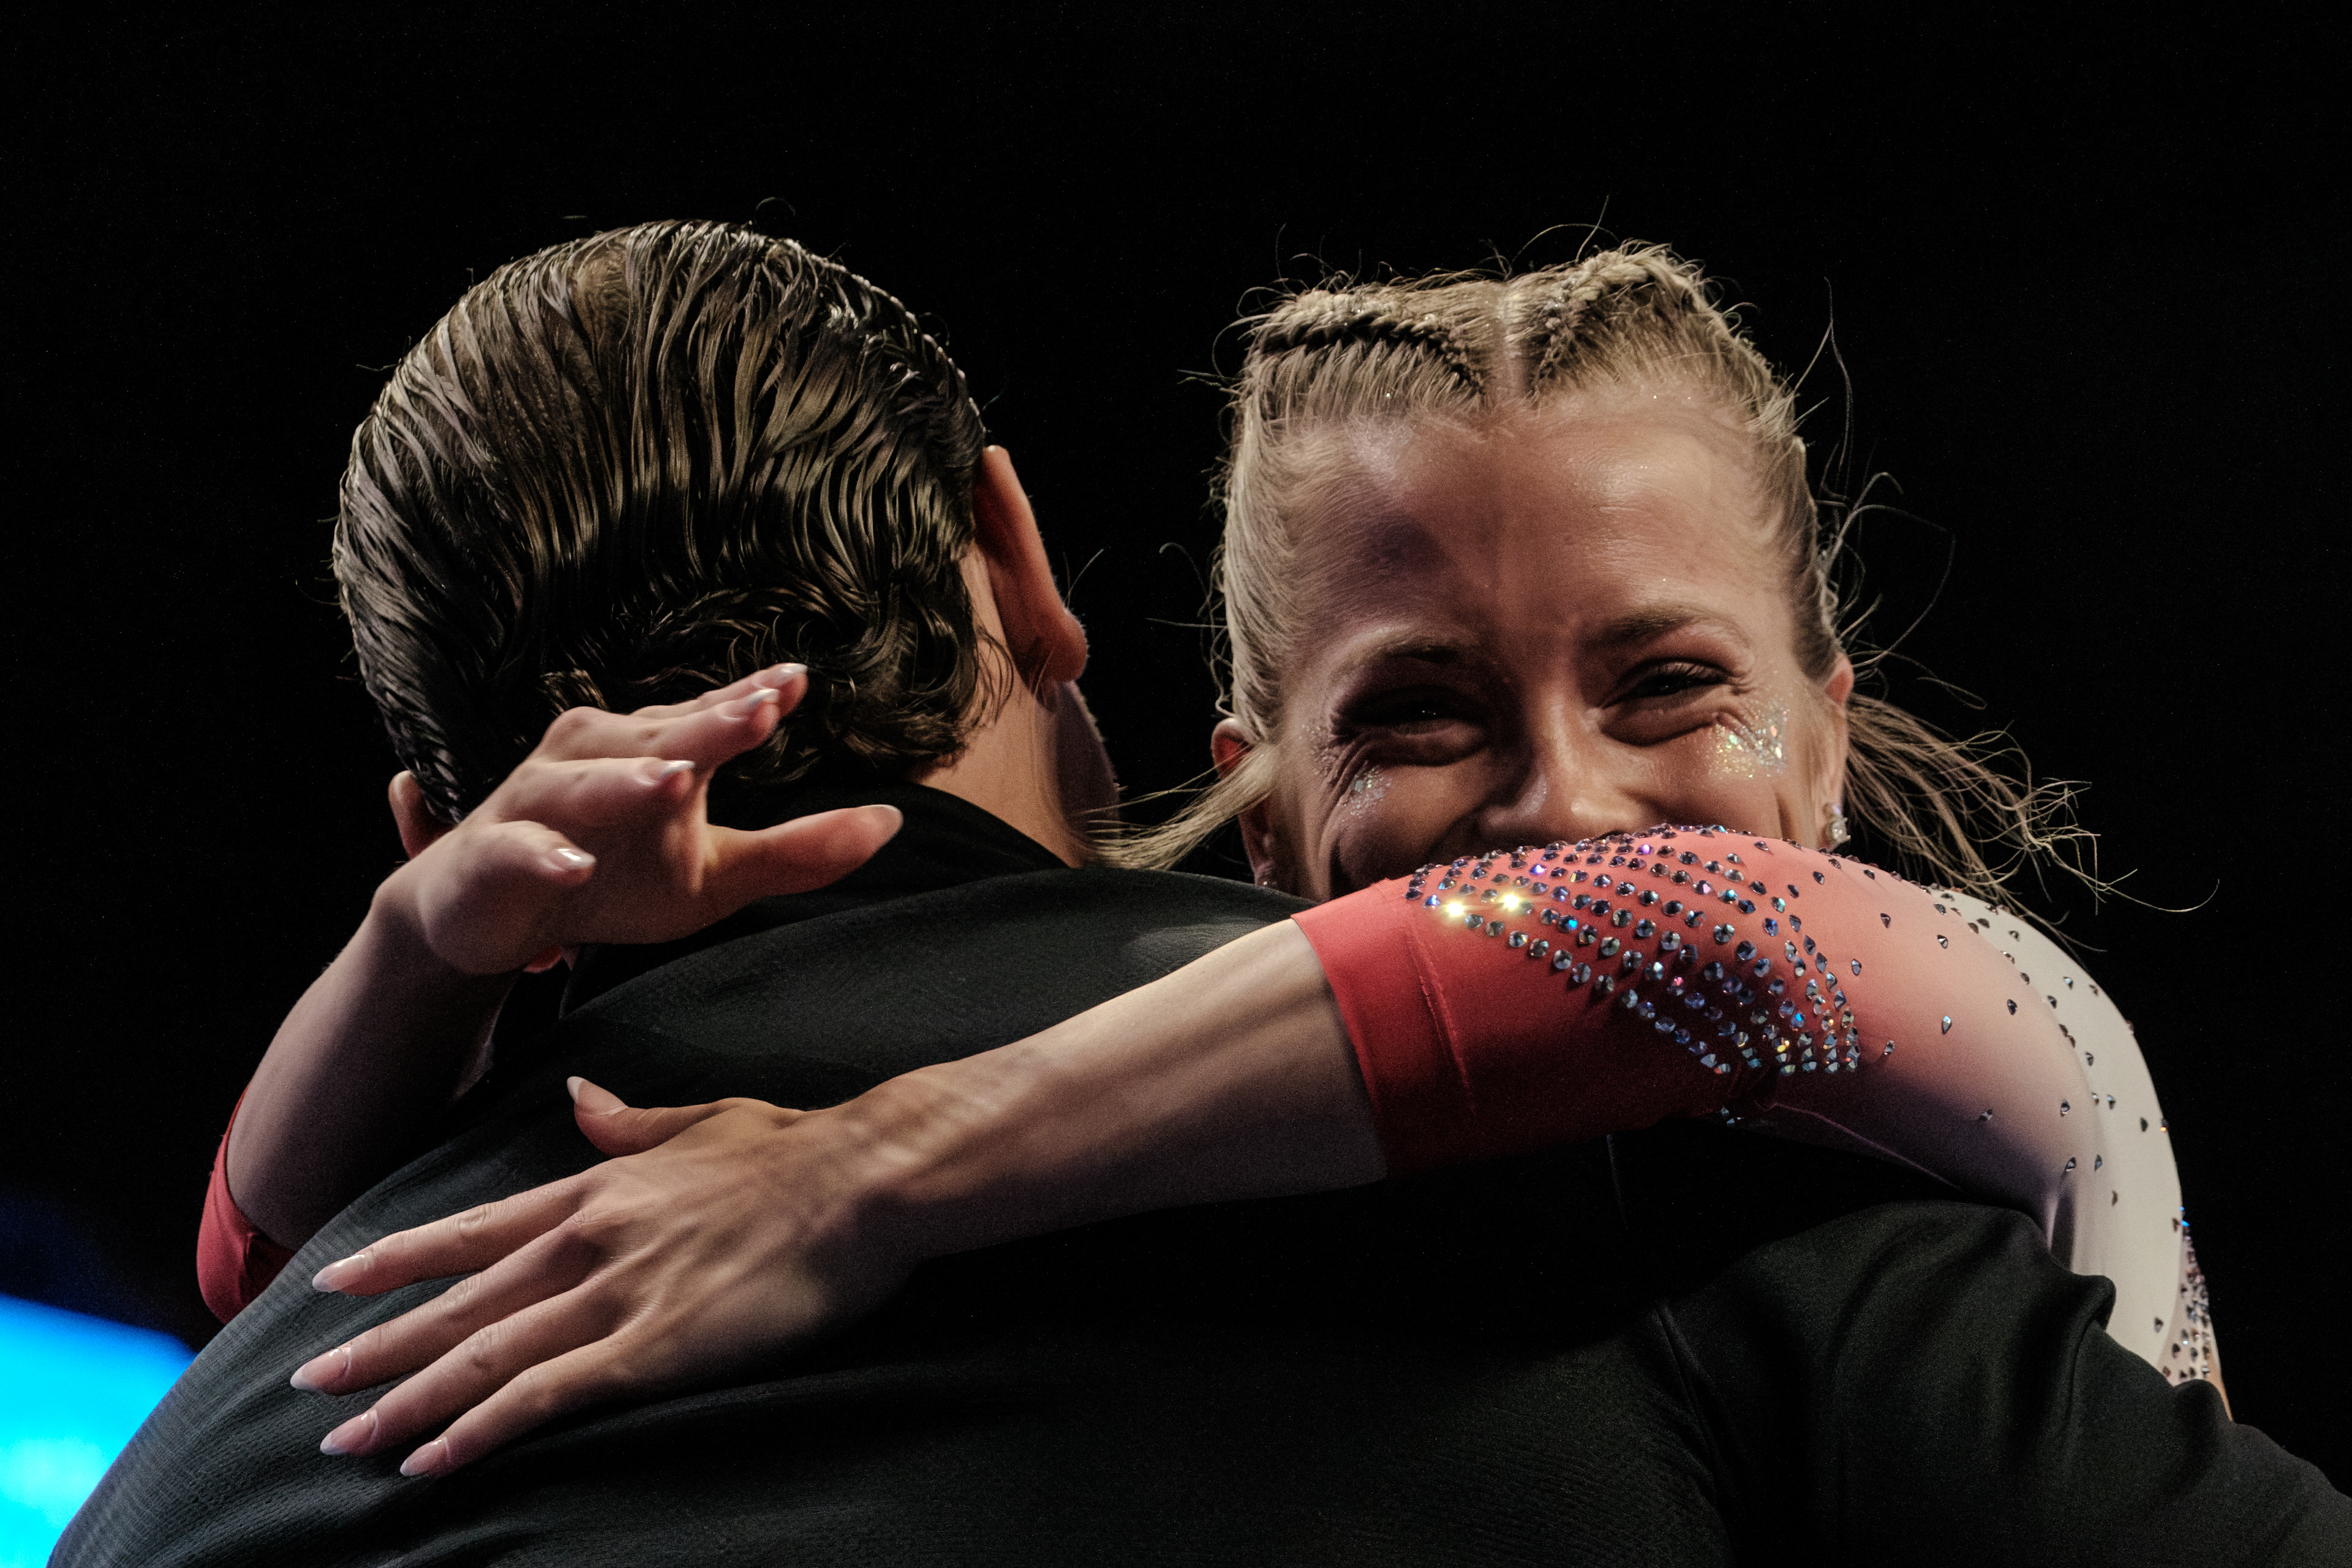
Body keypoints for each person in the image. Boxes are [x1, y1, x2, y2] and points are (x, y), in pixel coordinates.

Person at [61, 222, 2339, 1564]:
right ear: (1045, 594)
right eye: (1424, 717)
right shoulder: (1683, 1207)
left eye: (1668, 682)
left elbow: (240, 1262)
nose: (1568, 821)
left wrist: (873, 1172)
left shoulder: (174, 1481)